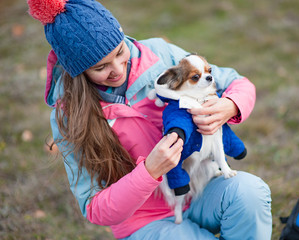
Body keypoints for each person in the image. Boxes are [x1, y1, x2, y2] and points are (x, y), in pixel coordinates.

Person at [28, 0, 272, 239]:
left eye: (120, 51)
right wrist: (149, 171)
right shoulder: (71, 115)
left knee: (250, 192)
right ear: (79, 71)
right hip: (146, 221)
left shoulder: (158, 54)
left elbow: (237, 82)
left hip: (201, 190)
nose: (118, 69)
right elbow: (94, 207)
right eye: (101, 67)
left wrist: (230, 106)